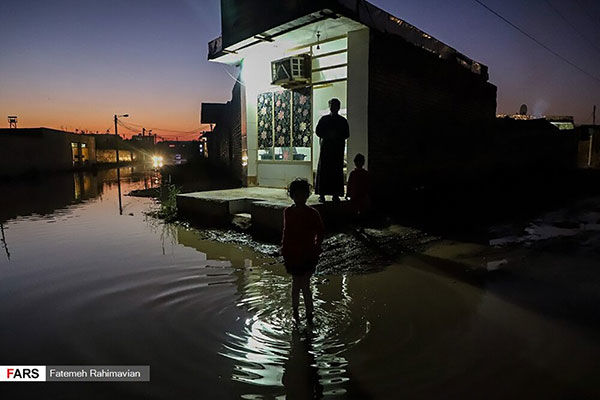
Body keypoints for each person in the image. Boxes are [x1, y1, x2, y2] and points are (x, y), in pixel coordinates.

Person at [281, 178, 325, 324]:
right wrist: (284, 249)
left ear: (307, 195)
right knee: (297, 284)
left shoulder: (312, 213)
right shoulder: (289, 212)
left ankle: (307, 315)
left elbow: (320, 233)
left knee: (304, 285)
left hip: (307, 254)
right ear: (292, 196)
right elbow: (286, 233)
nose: (300, 198)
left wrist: (317, 248)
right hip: (294, 254)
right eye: (297, 195)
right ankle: (297, 313)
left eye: (303, 195)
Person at [315, 98, 349, 203]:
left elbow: (347, 134)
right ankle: (322, 194)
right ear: (330, 107)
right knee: (324, 171)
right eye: (332, 105)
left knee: (335, 171)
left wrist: (336, 136)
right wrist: (328, 135)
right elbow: (318, 131)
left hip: (337, 151)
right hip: (326, 150)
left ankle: (335, 194)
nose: (334, 108)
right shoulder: (324, 119)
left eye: (336, 106)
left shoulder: (342, 121)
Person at [346, 153, 371, 222]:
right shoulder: (366, 173)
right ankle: (361, 226)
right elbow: (368, 185)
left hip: (354, 196)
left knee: (354, 212)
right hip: (363, 196)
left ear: (355, 163)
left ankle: (355, 225)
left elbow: (349, 185)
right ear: (363, 163)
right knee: (363, 213)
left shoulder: (353, 174)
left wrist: (348, 194)